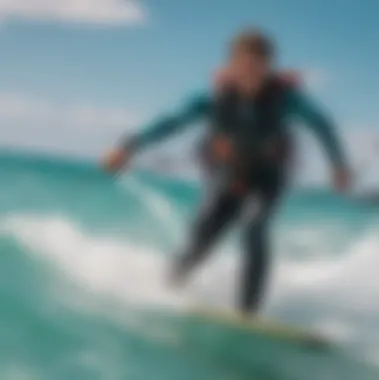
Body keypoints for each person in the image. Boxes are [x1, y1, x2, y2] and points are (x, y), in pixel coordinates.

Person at [101, 28, 351, 314]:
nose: (251, 75)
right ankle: (169, 287)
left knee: (254, 226)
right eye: (244, 66)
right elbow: (170, 122)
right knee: (203, 232)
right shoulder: (211, 97)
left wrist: (338, 165)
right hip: (228, 172)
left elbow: (322, 126)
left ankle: (248, 313)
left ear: (269, 66)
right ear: (231, 65)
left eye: (258, 67)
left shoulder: (285, 98)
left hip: (269, 174)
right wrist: (127, 147)